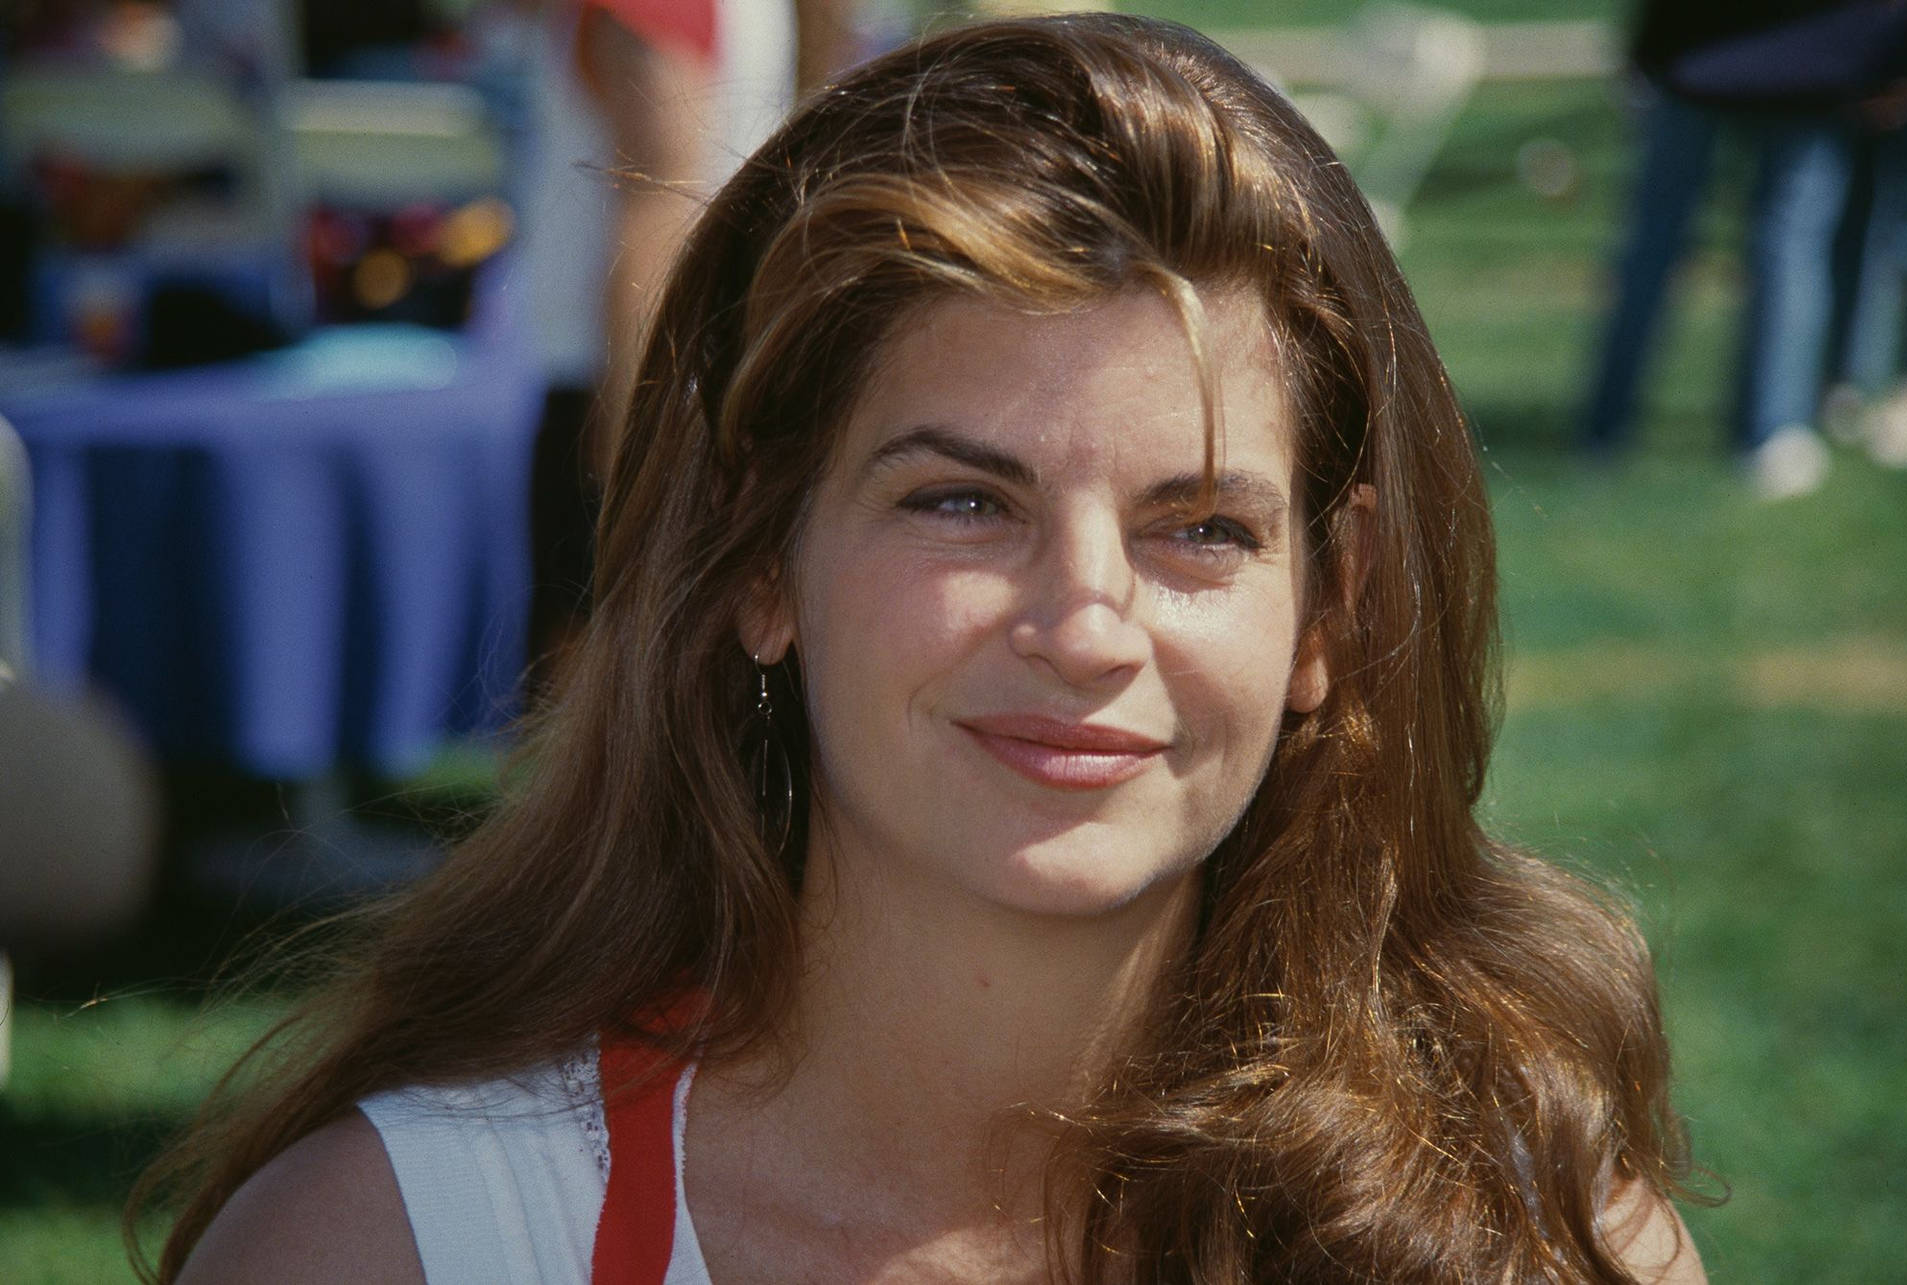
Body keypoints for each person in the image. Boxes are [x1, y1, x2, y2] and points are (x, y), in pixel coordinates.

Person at [137, 15, 1708, 1283]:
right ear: (763, 558)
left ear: (1331, 609)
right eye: (964, 499)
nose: (1087, 621)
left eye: (1202, 528)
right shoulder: (408, 1243)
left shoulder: (1519, 1236)